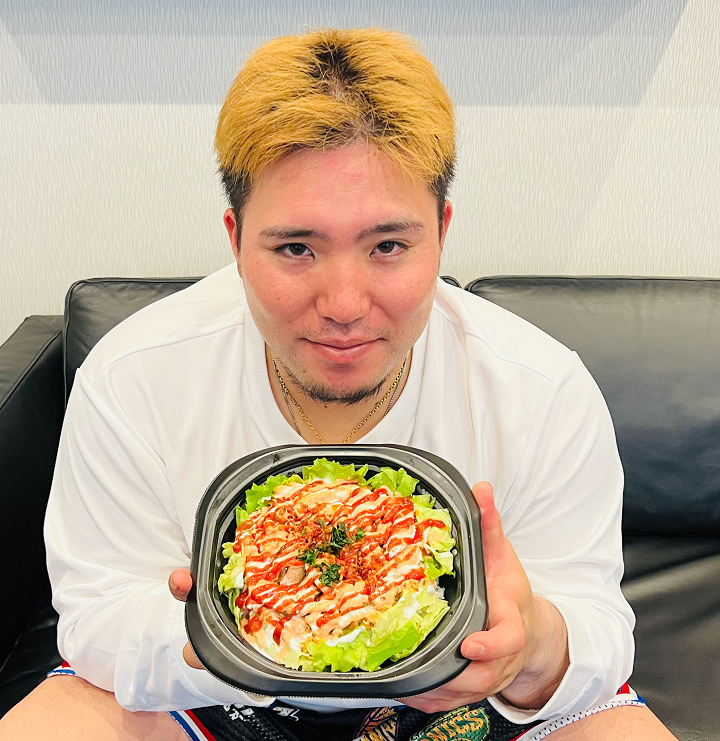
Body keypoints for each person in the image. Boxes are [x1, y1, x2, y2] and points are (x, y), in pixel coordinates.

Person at [0, 28, 677, 741]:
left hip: (458, 695)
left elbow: (595, 630)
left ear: (441, 232)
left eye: (388, 246)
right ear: (236, 240)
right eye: (296, 248)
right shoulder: (134, 375)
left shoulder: (540, 387)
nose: (345, 305)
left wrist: (530, 639)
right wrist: (216, 634)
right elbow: (96, 616)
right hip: (210, 688)